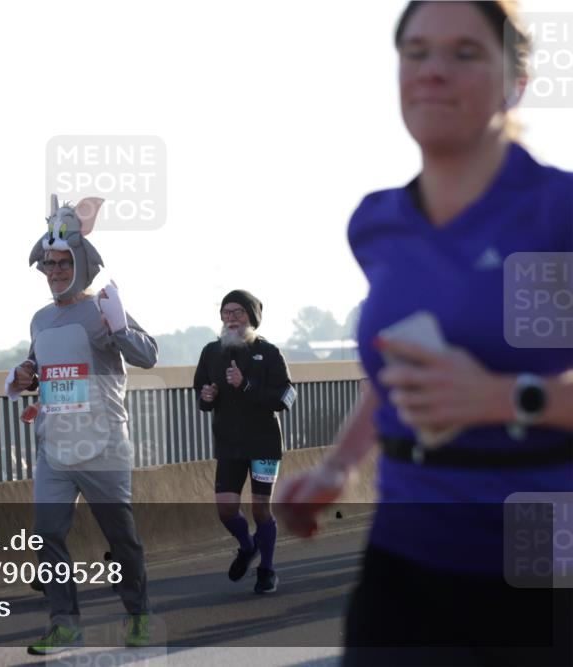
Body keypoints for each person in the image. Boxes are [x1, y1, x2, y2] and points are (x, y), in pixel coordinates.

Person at [275, 3, 573, 665]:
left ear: (515, 80)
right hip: (404, 564)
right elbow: (396, 373)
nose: (434, 72)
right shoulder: (377, 224)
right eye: (416, 52)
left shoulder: (559, 212)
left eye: (465, 53)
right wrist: (335, 467)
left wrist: (503, 397)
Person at [7, 195, 157, 655]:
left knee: (120, 537)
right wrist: (26, 376)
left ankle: (137, 614)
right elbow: (43, 368)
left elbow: (148, 356)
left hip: (104, 444)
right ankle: (65, 623)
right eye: (48, 263)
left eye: (62, 262)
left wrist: (119, 330)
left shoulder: (102, 307)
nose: (53, 271)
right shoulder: (39, 319)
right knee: (48, 535)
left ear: (82, 263)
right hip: (55, 446)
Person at [194, 290, 295, 593]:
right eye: (226, 312)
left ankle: (267, 569)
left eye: (238, 312)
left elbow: (286, 397)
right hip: (229, 443)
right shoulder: (211, 351)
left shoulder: (269, 352)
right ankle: (247, 545)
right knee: (226, 509)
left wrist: (246, 385)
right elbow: (201, 390)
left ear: (251, 317)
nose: (231, 318)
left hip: (264, 442)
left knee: (261, 508)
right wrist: (206, 397)